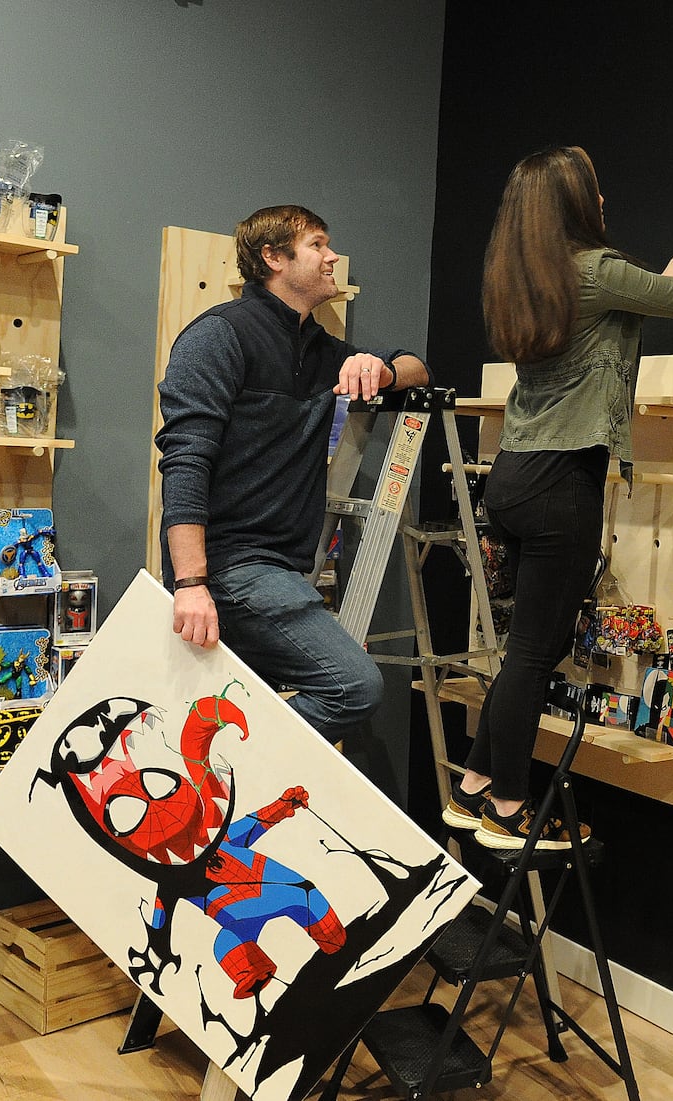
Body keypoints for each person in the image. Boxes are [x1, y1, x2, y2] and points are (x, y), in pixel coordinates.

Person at [446, 146, 673, 850]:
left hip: (516, 474)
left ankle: (474, 782)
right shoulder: (595, 270)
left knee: (532, 643)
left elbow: (628, 314)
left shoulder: (525, 276)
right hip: (562, 481)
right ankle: (508, 801)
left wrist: (661, 283)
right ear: (572, 203)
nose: (605, 200)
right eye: (593, 190)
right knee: (534, 651)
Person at [155, 205, 431, 765]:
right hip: (233, 570)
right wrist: (191, 583)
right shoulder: (219, 337)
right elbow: (185, 465)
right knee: (354, 685)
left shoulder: (322, 348)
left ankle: (213, 770)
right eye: (317, 245)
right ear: (274, 259)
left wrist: (383, 370)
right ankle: (222, 773)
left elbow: (417, 368)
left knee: (232, 703)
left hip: (279, 571)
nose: (332, 257)